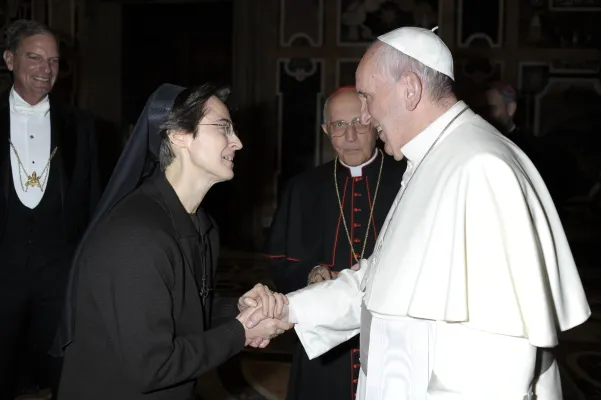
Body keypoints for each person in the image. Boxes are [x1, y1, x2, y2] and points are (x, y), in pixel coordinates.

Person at [242, 26, 591, 399]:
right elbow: (375, 282)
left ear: (409, 89)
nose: (364, 116)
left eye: (367, 97)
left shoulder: (480, 167)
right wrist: (289, 309)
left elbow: (495, 363)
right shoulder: (434, 158)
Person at [55, 83, 292, 400]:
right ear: (179, 135)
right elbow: (153, 366)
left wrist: (237, 309)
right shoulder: (136, 236)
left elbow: (183, 310)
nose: (237, 142)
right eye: (223, 128)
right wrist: (240, 332)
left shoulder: (203, 226)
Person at [263, 86, 405, 400]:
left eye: (359, 122)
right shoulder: (303, 188)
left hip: (391, 338)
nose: (350, 135)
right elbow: (279, 260)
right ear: (326, 130)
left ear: (375, 123)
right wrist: (309, 273)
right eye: (339, 125)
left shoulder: (406, 179)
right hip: (324, 344)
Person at [0, 19, 101, 399]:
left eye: (54, 61)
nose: (46, 69)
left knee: (64, 376)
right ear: (9, 59)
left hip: (59, 276)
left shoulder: (83, 127)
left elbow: (93, 206)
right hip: (1, 275)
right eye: (35, 57)